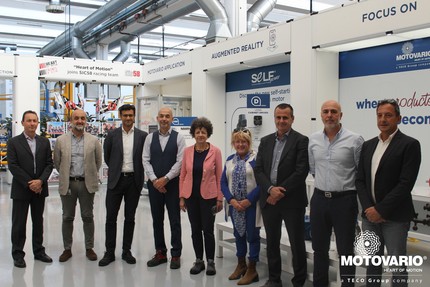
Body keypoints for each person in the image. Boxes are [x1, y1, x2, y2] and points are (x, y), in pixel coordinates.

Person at [356, 99, 421, 287]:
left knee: (397, 265)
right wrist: (369, 208)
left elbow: (405, 184)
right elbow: (360, 180)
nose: (383, 119)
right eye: (379, 115)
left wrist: (381, 210)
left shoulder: (409, 145)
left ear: (398, 118)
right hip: (369, 217)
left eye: (388, 115)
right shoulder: (368, 146)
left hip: (395, 218)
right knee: (372, 262)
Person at [308, 100, 364, 287]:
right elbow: (314, 169)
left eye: (334, 111)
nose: (329, 115)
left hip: (344, 201)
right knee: (319, 249)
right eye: (325, 111)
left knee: (346, 250)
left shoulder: (355, 139)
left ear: (341, 115)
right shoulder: (313, 139)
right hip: (319, 199)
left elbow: (360, 172)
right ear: (321, 114)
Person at [254, 103, 309, 287]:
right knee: (272, 242)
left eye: (285, 117)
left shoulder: (301, 141)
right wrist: (270, 189)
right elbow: (259, 169)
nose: (281, 121)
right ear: (275, 118)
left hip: (292, 202)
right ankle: (274, 279)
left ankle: (299, 281)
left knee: (296, 243)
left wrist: (278, 192)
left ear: (292, 119)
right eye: (278, 117)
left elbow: (301, 171)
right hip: (269, 200)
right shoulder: (266, 141)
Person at [99, 104, 148, 266]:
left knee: (130, 218)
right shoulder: (112, 135)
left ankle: (126, 251)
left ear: (134, 116)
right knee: (110, 218)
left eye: (131, 115)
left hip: (133, 181)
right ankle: (109, 252)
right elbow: (108, 156)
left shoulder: (142, 136)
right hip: (116, 181)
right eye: (125, 115)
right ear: (120, 116)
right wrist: (115, 170)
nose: (128, 118)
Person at [54, 109, 102, 262]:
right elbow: (57, 162)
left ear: (86, 121)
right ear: (71, 121)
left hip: (86, 184)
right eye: (76, 118)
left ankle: (89, 248)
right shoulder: (61, 140)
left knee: (88, 216)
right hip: (68, 184)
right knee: (67, 217)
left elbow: (98, 162)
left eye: (82, 118)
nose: (80, 121)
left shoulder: (94, 140)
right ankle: (67, 249)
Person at [8, 110, 54, 268]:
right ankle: (18, 254)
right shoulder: (13, 142)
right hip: (22, 189)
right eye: (29, 121)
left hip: (39, 189)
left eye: (35, 121)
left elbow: (49, 164)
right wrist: (30, 183)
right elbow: (13, 166)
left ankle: (39, 251)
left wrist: (40, 181)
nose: (32, 123)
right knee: (19, 223)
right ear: (22, 123)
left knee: (38, 222)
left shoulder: (44, 142)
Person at [179, 117, 223, 276]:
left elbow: (220, 177)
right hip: (191, 197)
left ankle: (210, 261)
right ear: (193, 134)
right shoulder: (187, 152)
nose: (200, 135)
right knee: (195, 229)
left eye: (203, 132)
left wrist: (220, 198)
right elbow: (183, 175)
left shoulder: (215, 151)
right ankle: (199, 260)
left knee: (208, 230)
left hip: (209, 197)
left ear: (208, 133)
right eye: (197, 132)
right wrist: (182, 197)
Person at [143, 107, 185, 269]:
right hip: (154, 186)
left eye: (167, 116)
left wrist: (166, 179)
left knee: (175, 220)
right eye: (161, 116)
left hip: (172, 185)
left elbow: (180, 162)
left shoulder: (179, 138)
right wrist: (155, 180)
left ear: (172, 119)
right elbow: (145, 160)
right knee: (157, 220)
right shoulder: (149, 138)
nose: (164, 119)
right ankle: (160, 252)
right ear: (157, 118)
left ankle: (176, 254)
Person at [221, 128, 261, 285]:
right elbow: (223, 182)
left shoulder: (255, 160)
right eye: (237, 141)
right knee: (239, 235)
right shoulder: (230, 160)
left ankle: (252, 269)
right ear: (233, 143)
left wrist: (249, 200)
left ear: (249, 143)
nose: (240, 144)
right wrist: (231, 200)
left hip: (251, 205)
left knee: (252, 236)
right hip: (235, 206)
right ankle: (241, 265)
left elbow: (261, 183)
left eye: (244, 141)